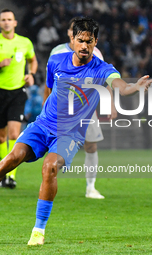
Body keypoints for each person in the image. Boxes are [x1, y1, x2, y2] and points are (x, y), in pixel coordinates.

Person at [0, 18, 152, 246]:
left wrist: (132, 88)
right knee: (11, 159)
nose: (84, 46)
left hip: (70, 134)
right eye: (80, 40)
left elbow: (119, 85)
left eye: (89, 42)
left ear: (95, 42)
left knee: (49, 167)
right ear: (72, 39)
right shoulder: (55, 61)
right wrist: (43, 116)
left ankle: (38, 231)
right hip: (43, 125)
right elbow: (50, 90)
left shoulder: (103, 69)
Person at [44, 17, 117, 199]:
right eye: (73, 31)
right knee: (56, 151)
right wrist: (46, 106)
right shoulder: (57, 52)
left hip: (85, 107)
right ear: (71, 34)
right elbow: (49, 82)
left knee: (91, 146)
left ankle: (90, 187)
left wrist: (111, 103)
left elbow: (105, 78)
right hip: (61, 110)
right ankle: (48, 182)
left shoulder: (96, 53)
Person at [0, 9, 38, 188]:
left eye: (9, 19)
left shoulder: (24, 42)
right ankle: (2, 171)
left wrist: (31, 74)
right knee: (0, 138)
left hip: (17, 92)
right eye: (3, 19)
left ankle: (10, 176)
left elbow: (33, 60)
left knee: (14, 134)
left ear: (15, 23)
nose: (6, 22)